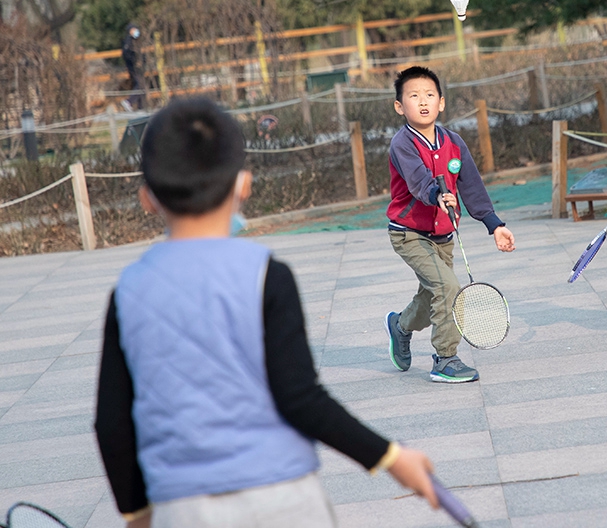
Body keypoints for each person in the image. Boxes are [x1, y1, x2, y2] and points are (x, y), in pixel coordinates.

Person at [94, 97, 438, 528]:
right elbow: (300, 398)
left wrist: (137, 513)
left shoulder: (128, 291)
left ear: (147, 199)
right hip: (284, 499)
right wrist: (389, 456)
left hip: (183, 507)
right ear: (244, 184)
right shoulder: (266, 276)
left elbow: (111, 423)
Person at [385, 66, 515, 383]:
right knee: (448, 288)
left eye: (429, 95)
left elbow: (471, 187)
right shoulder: (402, 144)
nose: (423, 101)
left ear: (441, 102)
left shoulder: (454, 143)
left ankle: (400, 326)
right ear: (400, 107)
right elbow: (419, 182)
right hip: (409, 234)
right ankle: (445, 359)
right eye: (413, 96)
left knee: (432, 295)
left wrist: (494, 224)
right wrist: (437, 194)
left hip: (444, 235)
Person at [121, 24, 146, 110]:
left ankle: (141, 107)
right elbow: (127, 54)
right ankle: (129, 101)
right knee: (140, 84)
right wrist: (135, 62)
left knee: (140, 85)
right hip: (134, 67)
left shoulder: (135, 41)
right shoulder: (129, 42)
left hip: (137, 67)